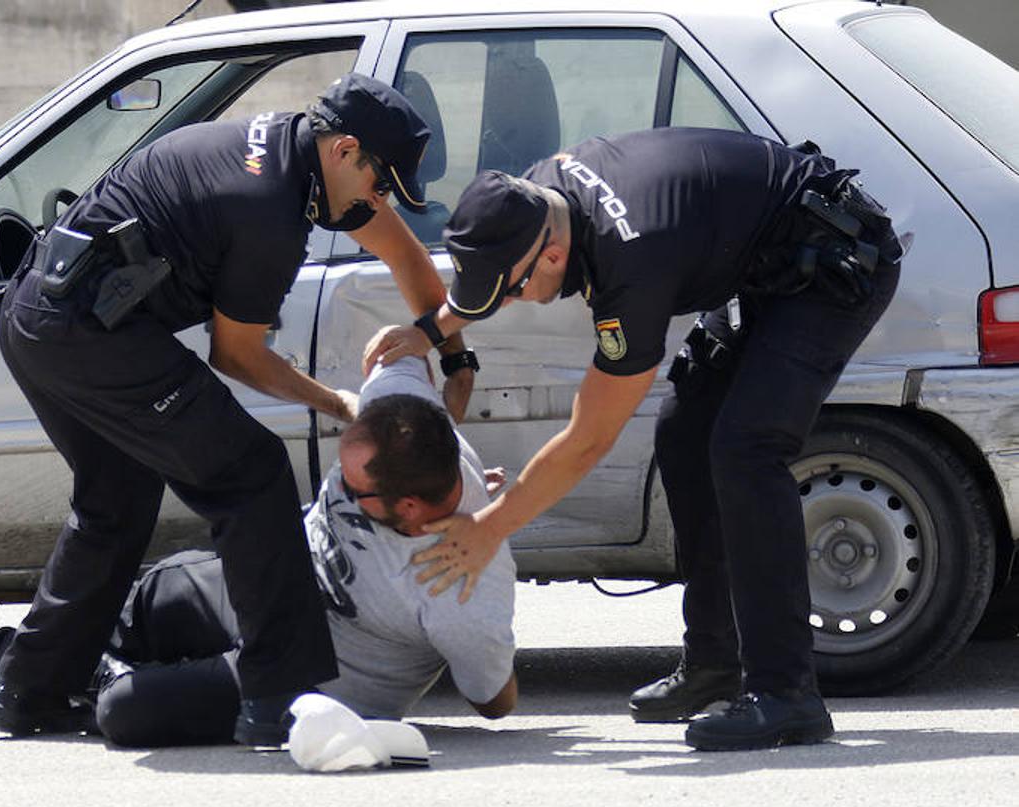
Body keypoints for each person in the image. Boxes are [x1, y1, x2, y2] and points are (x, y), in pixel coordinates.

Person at [365, 127, 902, 751]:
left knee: (746, 449)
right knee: (683, 433)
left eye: (511, 292)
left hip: (832, 260)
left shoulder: (631, 263)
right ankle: (714, 665)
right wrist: (432, 330)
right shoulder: (535, 195)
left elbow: (588, 439)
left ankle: (787, 695)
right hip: (765, 257)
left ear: (553, 259)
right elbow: (496, 272)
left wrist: (489, 528)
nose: (511, 305)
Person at [0, 72, 482, 746]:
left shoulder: (302, 159)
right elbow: (238, 355)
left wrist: (454, 354)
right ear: (345, 150)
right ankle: (276, 694)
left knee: (117, 501)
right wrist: (340, 402)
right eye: (378, 180)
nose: (380, 198)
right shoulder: (267, 208)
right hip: (84, 334)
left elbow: (403, 254)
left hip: (40, 317)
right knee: (250, 474)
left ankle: (27, 692)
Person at [0, 355, 517, 746]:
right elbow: (403, 343)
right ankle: (14, 656)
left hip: (318, 677)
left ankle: (53, 671)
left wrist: (493, 530)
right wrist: (449, 347)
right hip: (271, 589)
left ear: (407, 508)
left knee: (127, 713)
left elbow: (495, 702)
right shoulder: (408, 418)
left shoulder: (465, 585)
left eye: (355, 490)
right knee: (163, 585)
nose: (338, 489)